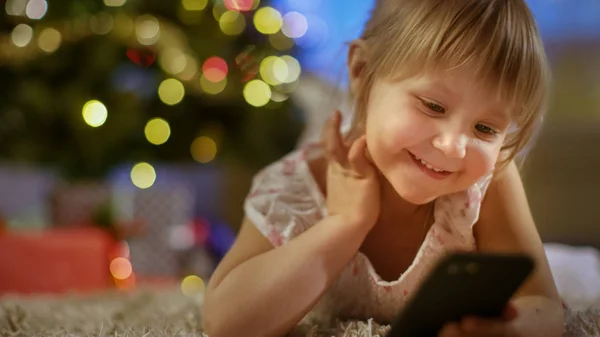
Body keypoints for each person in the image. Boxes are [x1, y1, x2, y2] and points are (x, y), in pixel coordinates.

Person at [202, 0, 565, 336]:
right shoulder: (298, 186)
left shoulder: (486, 182)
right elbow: (226, 323)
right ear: (361, 72)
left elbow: (545, 305)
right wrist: (344, 225)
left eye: (485, 129)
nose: (453, 147)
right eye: (433, 107)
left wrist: (513, 331)